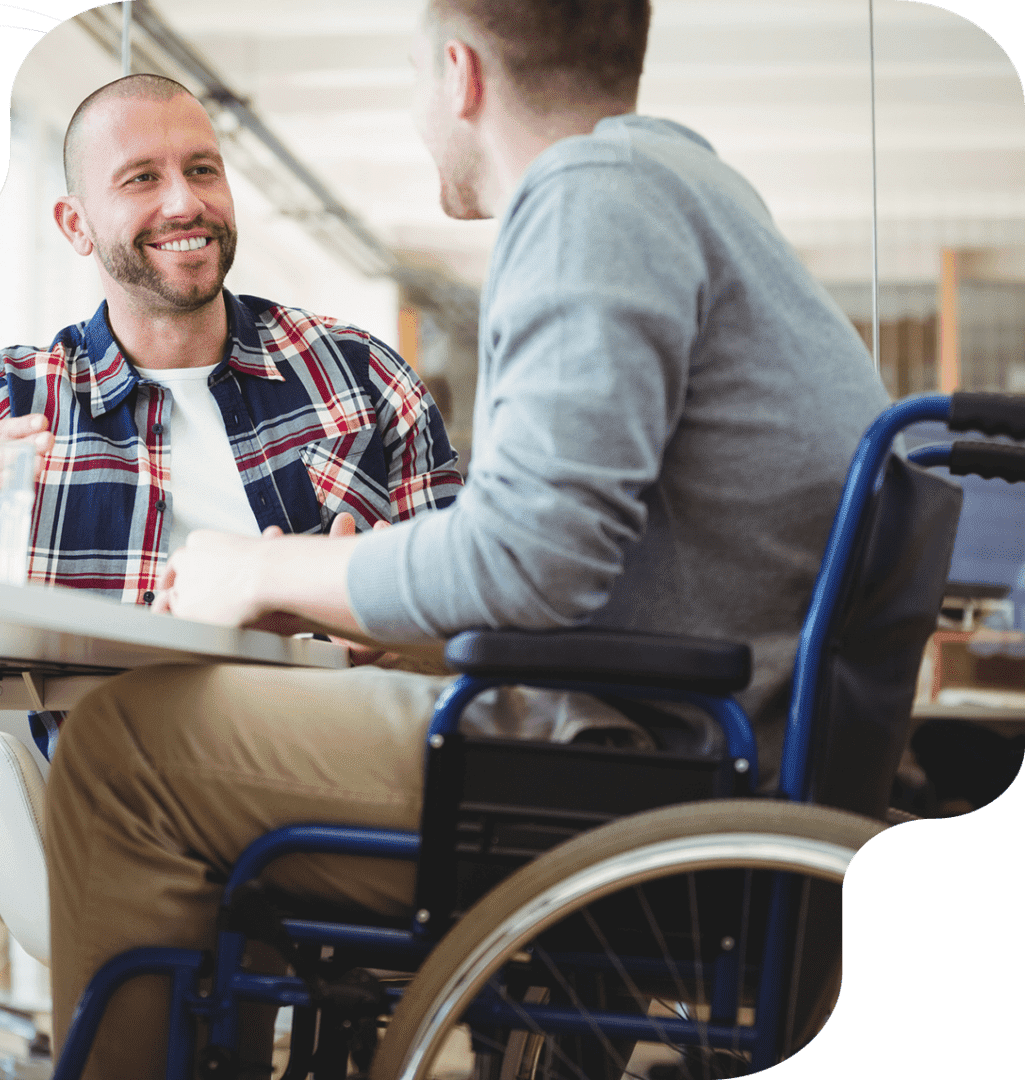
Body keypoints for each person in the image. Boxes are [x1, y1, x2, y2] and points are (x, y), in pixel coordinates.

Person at [45, 1, 892, 1074]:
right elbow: (579, 562)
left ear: (459, 75)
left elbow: (524, 560)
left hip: (641, 790)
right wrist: (355, 594)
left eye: (410, 79)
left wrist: (256, 565)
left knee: (124, 747)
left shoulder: (590, 198)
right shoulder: (697, 189)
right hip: (720, 757)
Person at [0, 74, 462, 757]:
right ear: (75, 225)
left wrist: (386, 633)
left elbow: (478, 619)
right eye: (141, 178)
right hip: (105, 794)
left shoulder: (362, 376)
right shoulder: (17, 397)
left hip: (333, 777)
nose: (185, 202)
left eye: (203, 170)